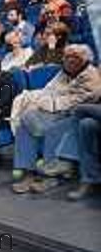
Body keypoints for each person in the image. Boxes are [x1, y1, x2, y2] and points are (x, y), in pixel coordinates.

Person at [11, 45, 101, 194]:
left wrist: (49, 103)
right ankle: (28, 171)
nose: (70, 60)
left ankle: (50, 176)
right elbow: (48, 90)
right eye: (67, 56)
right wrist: (41, 101)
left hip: (72, 114)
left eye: (76, 57)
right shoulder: (63, 72)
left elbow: (77, 101)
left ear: (85, 60)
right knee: (25, 122)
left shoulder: (91, 76)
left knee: (54, 129)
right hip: (53, 109)